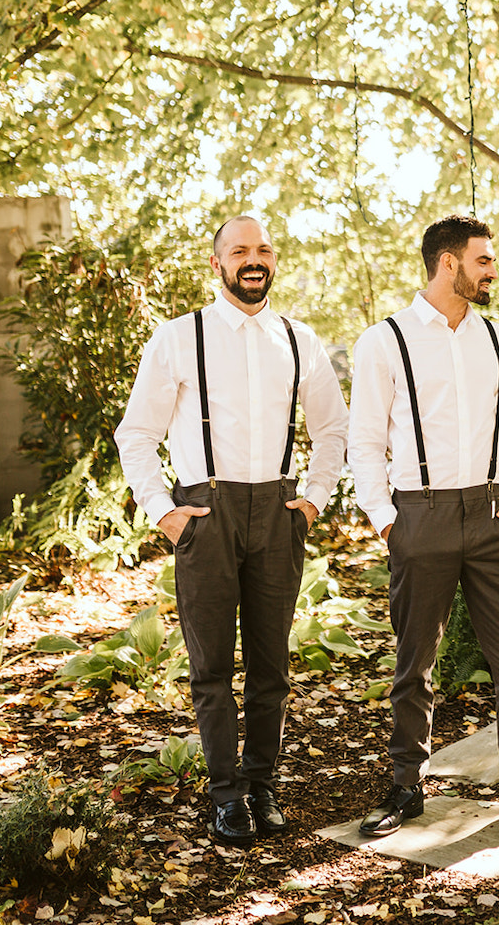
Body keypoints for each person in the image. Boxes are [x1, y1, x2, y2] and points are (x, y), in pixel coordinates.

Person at [116, 215, 349, 845]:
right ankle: (226, 796)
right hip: (206, 513)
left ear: (274, 262)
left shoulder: (300, 340)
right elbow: (135, 434)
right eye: (240, 250)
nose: (254, 259)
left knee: (272, 663)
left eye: (264, 250)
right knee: (211, 665)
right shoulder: (177, 337)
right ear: (216, 262)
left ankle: (262, 786)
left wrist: (314, 499)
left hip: (278, 511)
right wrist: (161, 509)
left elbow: (334, 429)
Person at [347, 215, 499, 843]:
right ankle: (406, 785)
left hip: (495, 519)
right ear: (447, 263)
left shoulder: (498, 340)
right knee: (415, 665)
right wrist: (387, 522)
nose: (493, 269)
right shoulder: (385, 341)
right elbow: (364, 440)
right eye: (483, 260)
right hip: (421, 515)